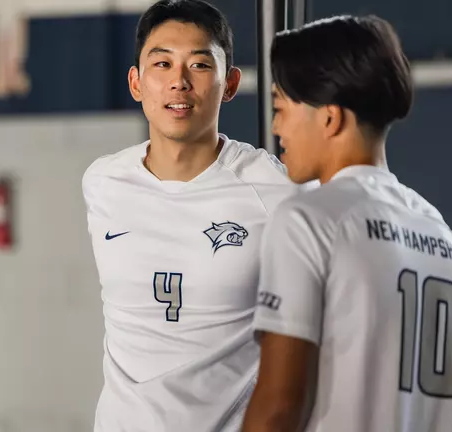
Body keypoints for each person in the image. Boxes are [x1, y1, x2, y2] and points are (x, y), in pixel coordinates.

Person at [82, 0, 298, 430]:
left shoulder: (274, 189)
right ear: (136, 82)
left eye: (199, 65)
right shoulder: (103, 181)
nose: (178, 82)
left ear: (230, 83)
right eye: (162, 64)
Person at [242, 15, 452, 431]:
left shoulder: (308, 220)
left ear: (329, 118)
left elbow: (279, 407)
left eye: (281, 108)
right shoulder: (442, 236)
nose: (275, 126)